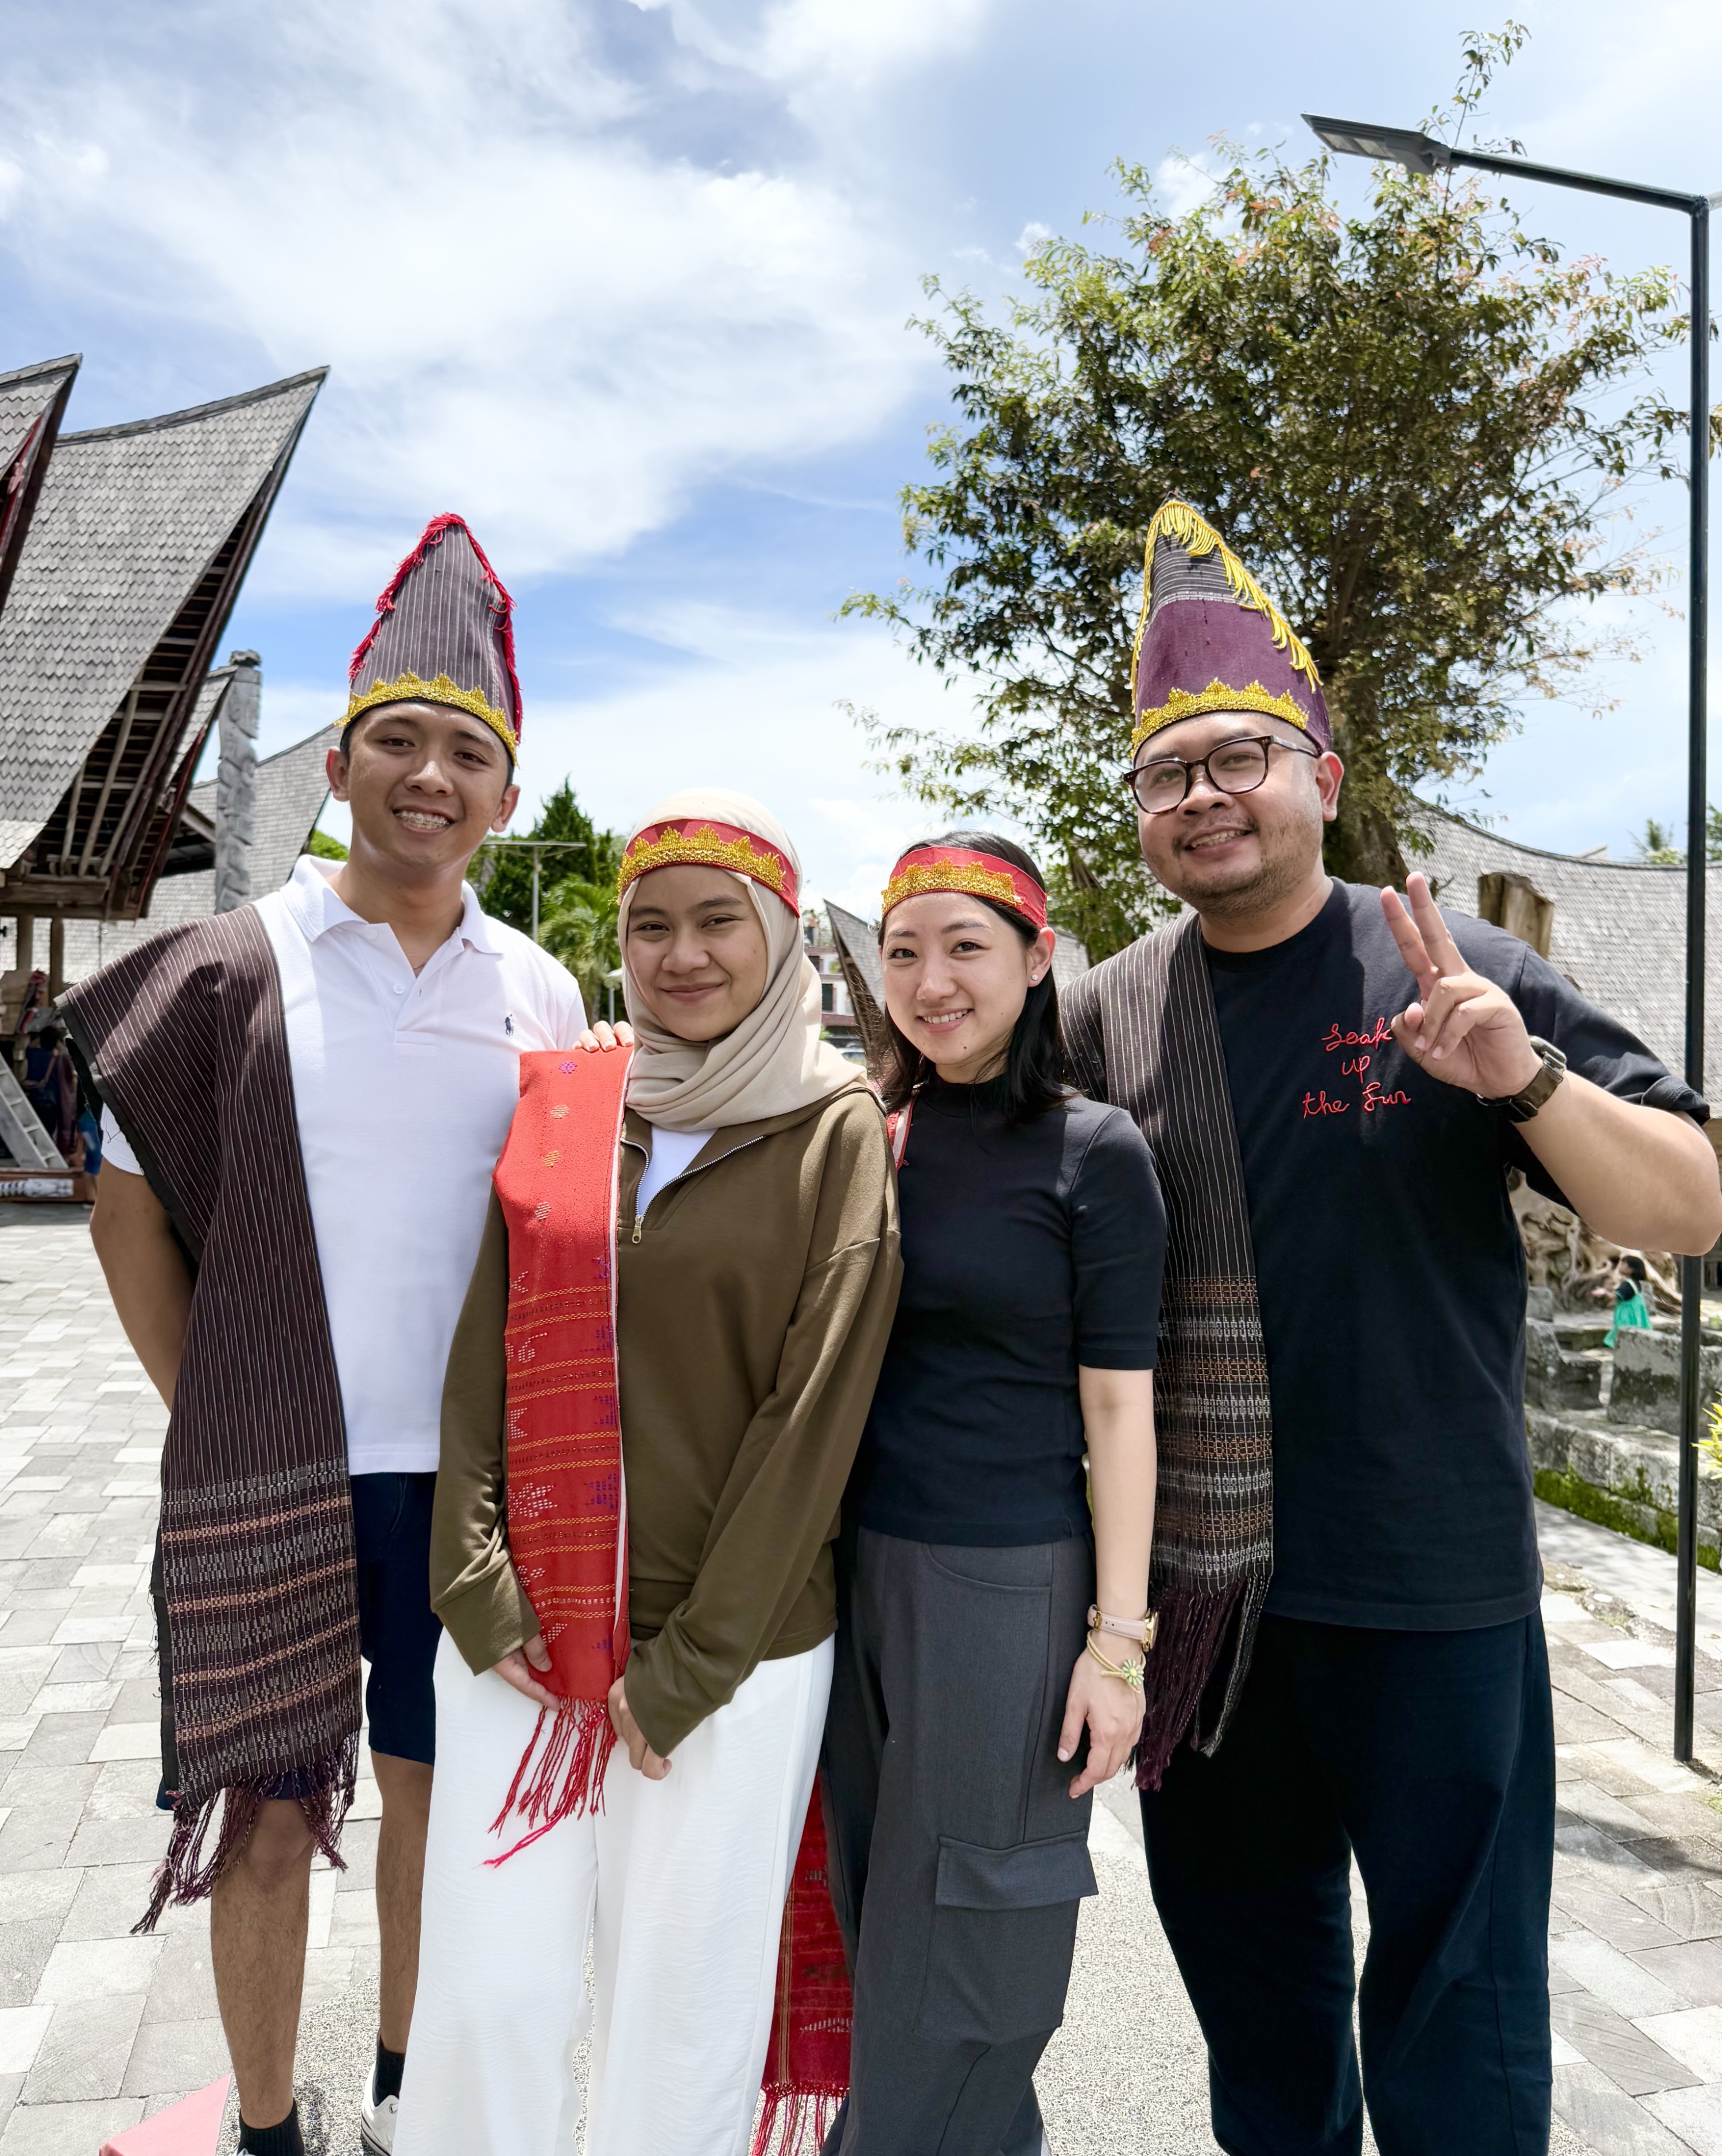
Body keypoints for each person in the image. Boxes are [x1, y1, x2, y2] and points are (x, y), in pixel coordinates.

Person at [1060, 498, 1722, 2156]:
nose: (1204, 795)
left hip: (1436, 1594)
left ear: (1323, 779)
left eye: (1242, 759)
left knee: (1464, 2035)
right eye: (1168, 773)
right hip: (1212, 1616)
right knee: (1265, 2039)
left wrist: (1526, 1078)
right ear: (1138, 808)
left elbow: (1690, 1205)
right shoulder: (1107, 1019)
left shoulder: (1443, 963)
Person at [65, 515, 588, 2156]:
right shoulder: (232, 966)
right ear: (344, 766)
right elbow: (125, 1205)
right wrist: (212, 1394)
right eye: (397, 743)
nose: (429, 778)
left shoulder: (542, 989)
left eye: (467, 754)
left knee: (436, 1799)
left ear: (506, 794)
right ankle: (269, 2124)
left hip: (466, 1490)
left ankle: (405, 2101)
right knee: (270, 1815)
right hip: (279, 1469)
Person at [399, 789, 901, 2156]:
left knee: (680, 2017)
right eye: (651, 924)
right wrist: (471, 1580)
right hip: (526, 1632)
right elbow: (483, 1352)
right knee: (486, 1999)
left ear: (783, 937)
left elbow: (812, 1421)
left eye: (717, 921)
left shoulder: (832, 1129)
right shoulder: (567, 1102)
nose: (682, 953)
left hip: (727, 1659)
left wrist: (689, 1667)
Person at [820, 831, 1163, 2156]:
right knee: (877, 1917)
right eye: (902, 950)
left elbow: (1118, 1405)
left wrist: (1115, 1644)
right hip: (850, 1577)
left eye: (964, 945)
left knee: (972, 1941)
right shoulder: (868, 1130)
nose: (929, 978)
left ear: (1036, 959)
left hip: (1006, 1581)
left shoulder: (1091, 1150)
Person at [1605, 1254, 1651, 1346]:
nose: (1620, 1266)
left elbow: (1614, 1296)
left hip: (1627, 1314)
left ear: (1631, 1269)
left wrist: (1604, 1293)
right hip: (1636, 1313)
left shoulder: (1628, 1284)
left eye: (1623, 1265)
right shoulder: (1636, 1283)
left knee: (1623, 1331)